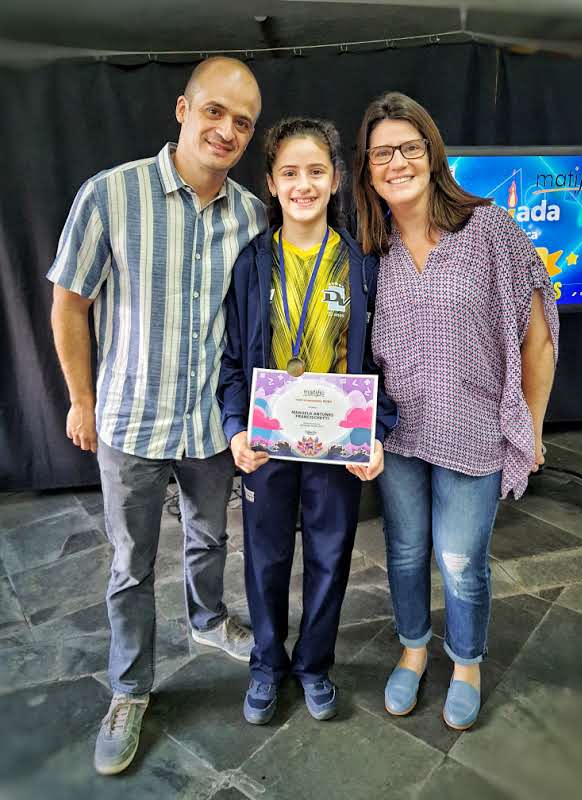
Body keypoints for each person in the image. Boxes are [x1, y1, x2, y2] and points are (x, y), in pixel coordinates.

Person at [47, 57, 267, 775]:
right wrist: (82, 400)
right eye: (214, 111)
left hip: (209, 424)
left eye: (242, 122)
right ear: (182, 109)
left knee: (210, 536)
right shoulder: (110, 194)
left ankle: (209, 620)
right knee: (130, 564)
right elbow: (69, 304)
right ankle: (129, 688)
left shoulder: (251, 215)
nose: (226, 130)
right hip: (131, 420)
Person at [353, 92, 559, 730]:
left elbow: (537, 338)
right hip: (396, 437)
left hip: (473, 434)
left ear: (432, 152)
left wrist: (532, 427)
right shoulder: (368, 247)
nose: (396, 162)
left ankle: (466, 662)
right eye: (381, 153)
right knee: (405, 551)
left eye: (409, 148)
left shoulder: (489, 229)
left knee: (462, 561)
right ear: (367, 168)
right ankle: (413, 650)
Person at [218, 117, 397, 725]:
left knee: (331, 556)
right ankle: (267, 664)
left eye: (316, 171)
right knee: (265, 558)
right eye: (290, 173)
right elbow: (233, 360)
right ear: (271, 183)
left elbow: (382, 360)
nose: (304, 185)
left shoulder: (362, 265)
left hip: (337, 443)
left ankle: (315, 664)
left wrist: (376, 431)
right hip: (267, 442)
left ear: (336, 179)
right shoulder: (252, 263)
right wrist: (235, 427)